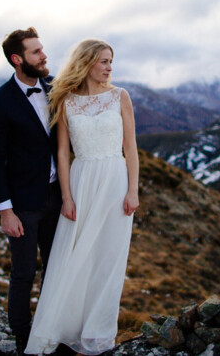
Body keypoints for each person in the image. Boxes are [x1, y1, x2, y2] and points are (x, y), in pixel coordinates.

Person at [25, 39, 140, 355]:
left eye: (110, 62)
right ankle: (63, 329)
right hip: (81, 179)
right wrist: (67, 196)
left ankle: (98, 335)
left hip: (115, 181)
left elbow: (130, 148)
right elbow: (62, 153)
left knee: (108, 258)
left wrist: (133, 190)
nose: (109, 68)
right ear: (87, 62)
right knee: (75, 257)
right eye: (103, 61)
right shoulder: (66, 100)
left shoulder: (121, 97)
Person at [0, 28, 65, 356]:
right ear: (18, 60)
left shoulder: (54, 86)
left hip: (57, 195)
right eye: (36, 52)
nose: (44, 56)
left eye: (43, 50)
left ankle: (49, 330)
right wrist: (5, 210)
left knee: (56, 266)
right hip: (22, 205)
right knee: (24, 272)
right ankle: (22, 338)